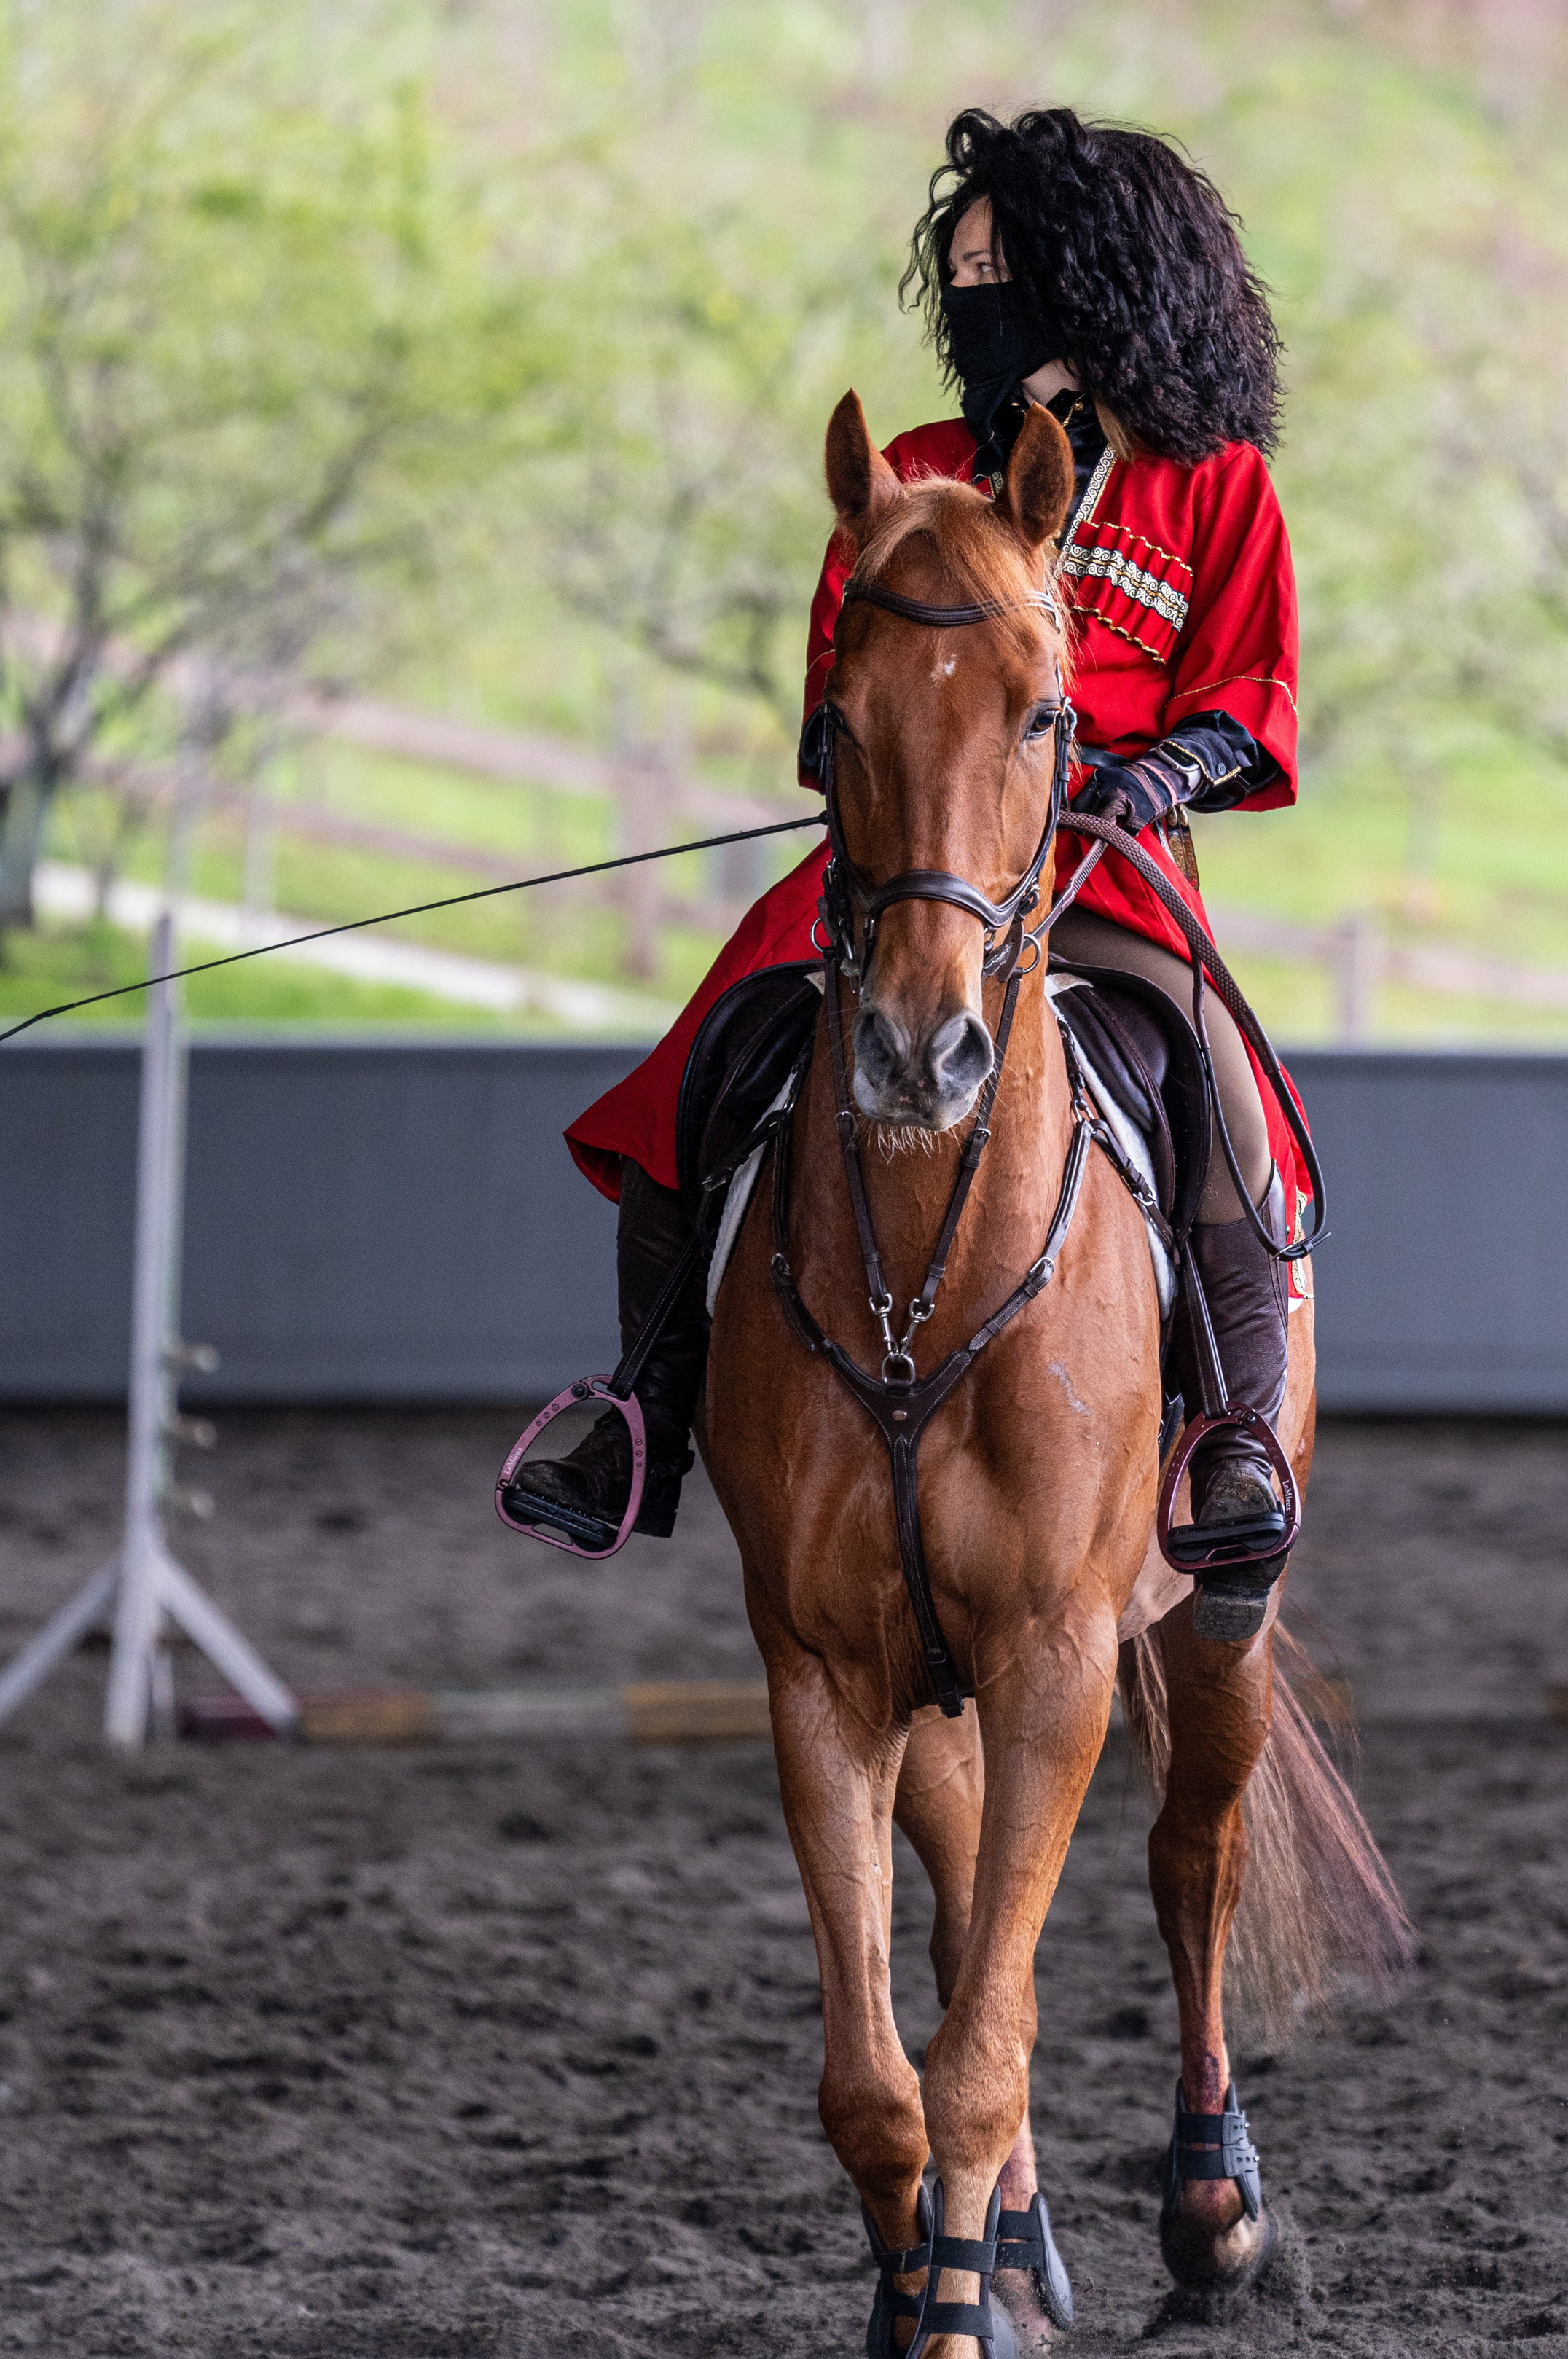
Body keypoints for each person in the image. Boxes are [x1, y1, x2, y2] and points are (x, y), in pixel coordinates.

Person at [515, 106, 1310, 1640]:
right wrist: (908, 779)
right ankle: (640, 1412)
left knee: (1225, 1099)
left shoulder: (1209, 486)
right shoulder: (915, 478)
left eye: (998, 271)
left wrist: (1148, 773)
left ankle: (1230, 1444)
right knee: (704, 1063)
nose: (972, 303)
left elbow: (1252, 693)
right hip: (900, 873)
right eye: (958, 277)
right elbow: (835, 704)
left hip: (1107, 877)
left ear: (1097, 281)